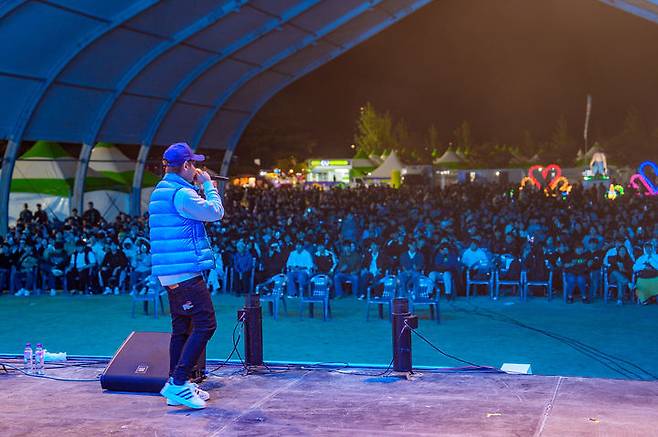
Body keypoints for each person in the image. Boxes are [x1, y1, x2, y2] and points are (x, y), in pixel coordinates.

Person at [151, 142, 224, 409]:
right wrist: (209, 186)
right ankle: (179, 383)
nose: (196, 169)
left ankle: (175, 382)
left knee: (182, 328)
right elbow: (215, 213)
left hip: (170, 273)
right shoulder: (181, 194)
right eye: (193, 164)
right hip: (184, 272)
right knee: (206, 324)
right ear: (185, 165)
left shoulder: (163, 190)